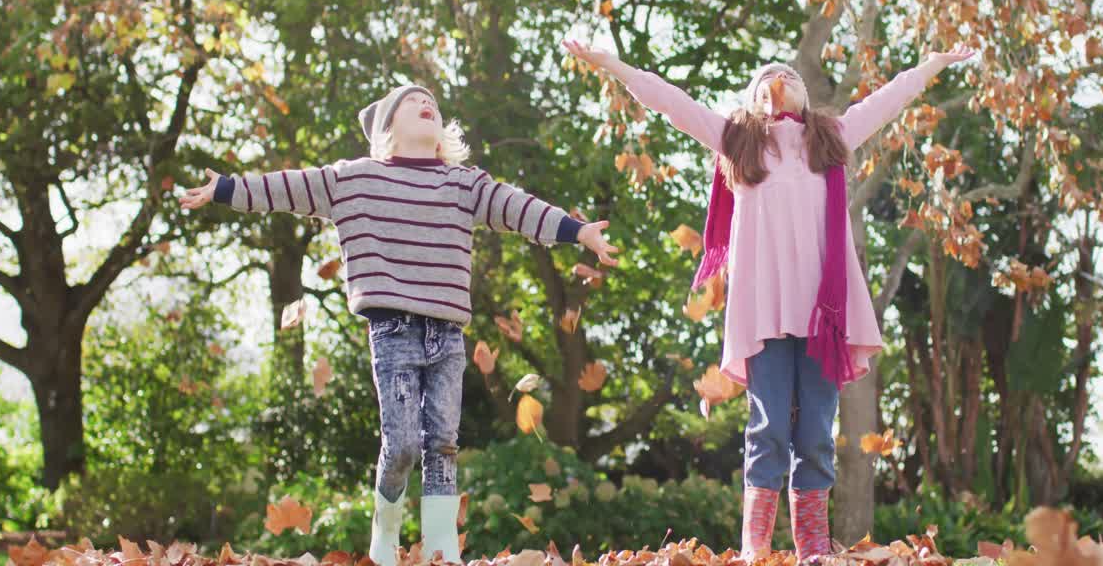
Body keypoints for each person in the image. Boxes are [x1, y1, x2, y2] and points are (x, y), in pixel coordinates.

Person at [562, 38, 975, 560]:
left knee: (818, 435)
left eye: (790, 76)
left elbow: (889, 100)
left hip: (824, 317)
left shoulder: (833, 138)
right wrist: (612, 65)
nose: (780, 81)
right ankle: (755, 550)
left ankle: (813, 551)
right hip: (764, 317)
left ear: (806, 98)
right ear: (753, 100)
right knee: (770, 427)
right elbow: (669, 101)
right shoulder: (736, 141)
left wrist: (932, 64)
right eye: (767, 78)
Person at [180, 84, 619, 565]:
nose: (425, 103)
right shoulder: (353, 179)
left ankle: (440, 549)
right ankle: (384, 535)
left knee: (444, 445)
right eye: (411, 101)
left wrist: (577, 231)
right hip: (392, 331)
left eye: (431, 101)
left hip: (447, 334)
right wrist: (224, 189)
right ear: (388, 128)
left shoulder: (463, 183)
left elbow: (518, 208)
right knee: (404, 442)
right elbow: (284, 187)